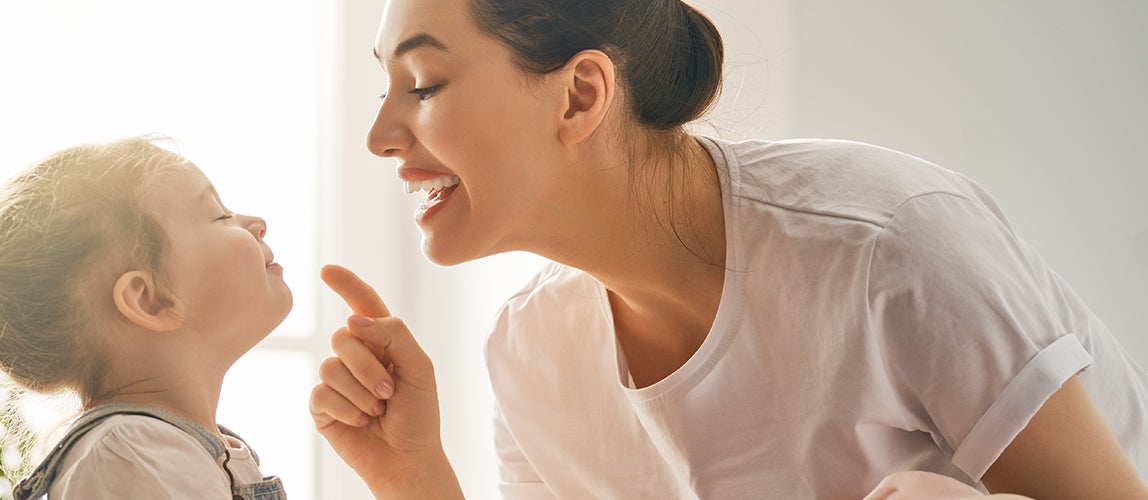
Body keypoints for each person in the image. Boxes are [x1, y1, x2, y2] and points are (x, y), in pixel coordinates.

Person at [308, 0, 1148, 498]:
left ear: (581, 94)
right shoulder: (529, 351)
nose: (382, 136)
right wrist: (415, 475)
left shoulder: (888, 244)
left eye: (421, 85)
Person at [0, 136, 291, 499]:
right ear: (148, 299)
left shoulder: (168, 451)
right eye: (219, 215)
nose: (256, 223)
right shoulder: (131, 457)